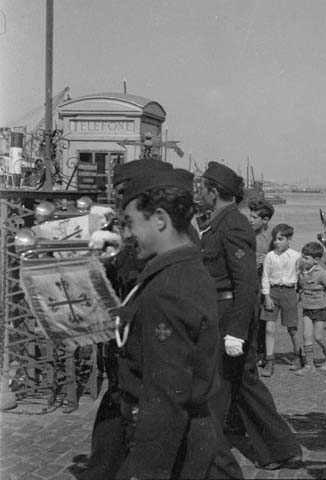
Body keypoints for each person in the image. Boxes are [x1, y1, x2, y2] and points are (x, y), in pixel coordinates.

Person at [112, 168, 242, 479]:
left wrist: (142, 471)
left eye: (130, 223)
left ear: (159, 219)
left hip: (176, 440)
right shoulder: (187, 267)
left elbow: (166, 395)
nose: (127, 234)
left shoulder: (167, 287)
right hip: (196, 430)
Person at [198, 161, 301, 470]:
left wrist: (237, 330)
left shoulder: (233, 225)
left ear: (214, 192)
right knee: (239, 382)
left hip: (229, 314)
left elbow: (246, 283)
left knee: (231, 381)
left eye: (201, 188)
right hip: (219, 312)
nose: (198, 192)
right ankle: (279, 448)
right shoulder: (215, 222)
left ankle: (210, 451)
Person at [81, 158, 174, 480]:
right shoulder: (139, 222)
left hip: (154, 338)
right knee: (116, 407)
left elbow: (150, 272)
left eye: (125, 191)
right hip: (127, 340)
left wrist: (118, 250)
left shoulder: (166, 224)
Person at [259, 223, 302, 377]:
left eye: (280, 239)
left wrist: (298, 292)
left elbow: (300, 274)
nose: (276, 242)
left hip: (289, 292)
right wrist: (267, 296)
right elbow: (265, 277)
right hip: (273, 292)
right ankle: (270, 361)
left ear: (289, 238)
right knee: (269, 328)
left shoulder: (297, 256)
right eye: (275, 239)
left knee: (292, 328)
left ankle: (298, 356)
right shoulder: (270, 256)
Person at [295, 241, 326, 375]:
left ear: (316, 260)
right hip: (307, 307)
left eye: (306, 258)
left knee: (318, 337)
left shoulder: (322, 273)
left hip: (320, 308)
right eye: (302, 257)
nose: (303, 260)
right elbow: (299, 287)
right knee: (306, 335)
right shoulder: (301, 271)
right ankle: (309, 365)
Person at [247, 199, 276, 365]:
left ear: (265, 220)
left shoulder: (273, 237)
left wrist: (266, 260)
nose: (250, 220)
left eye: (254, 217)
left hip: (265, 281)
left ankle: (262, 352)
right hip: (249, 278)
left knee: (263, 318)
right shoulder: (246, 233)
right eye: (249, 216)